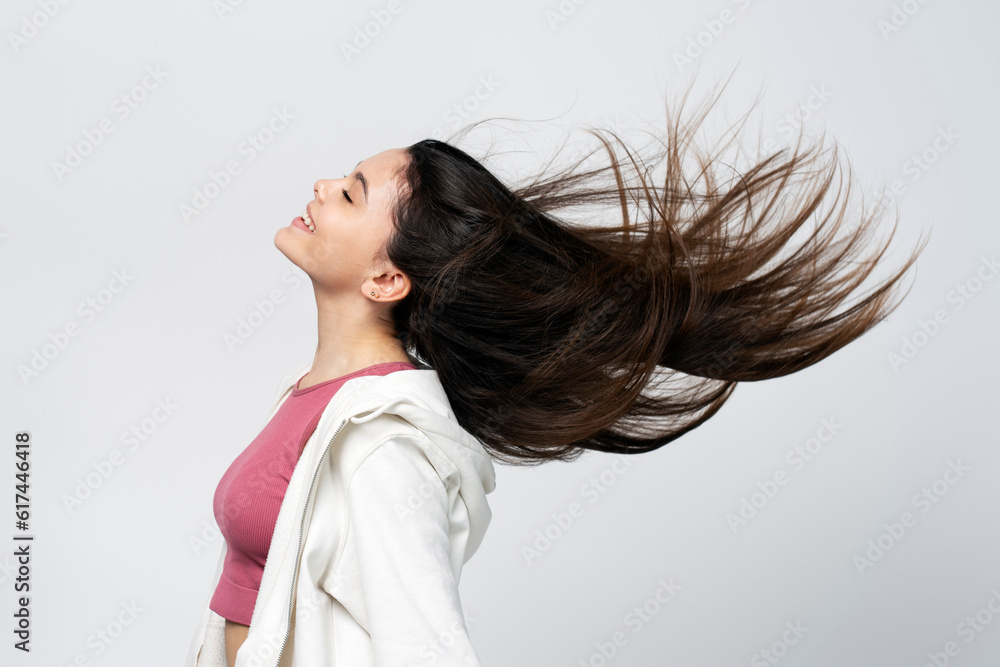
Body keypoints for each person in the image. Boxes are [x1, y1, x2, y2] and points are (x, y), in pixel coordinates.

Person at [186, 81, 927, 666]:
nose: (320, 185)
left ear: (386, 279)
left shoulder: (385, 446)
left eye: (350, 192)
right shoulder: (315, 402)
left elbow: (426, 649)